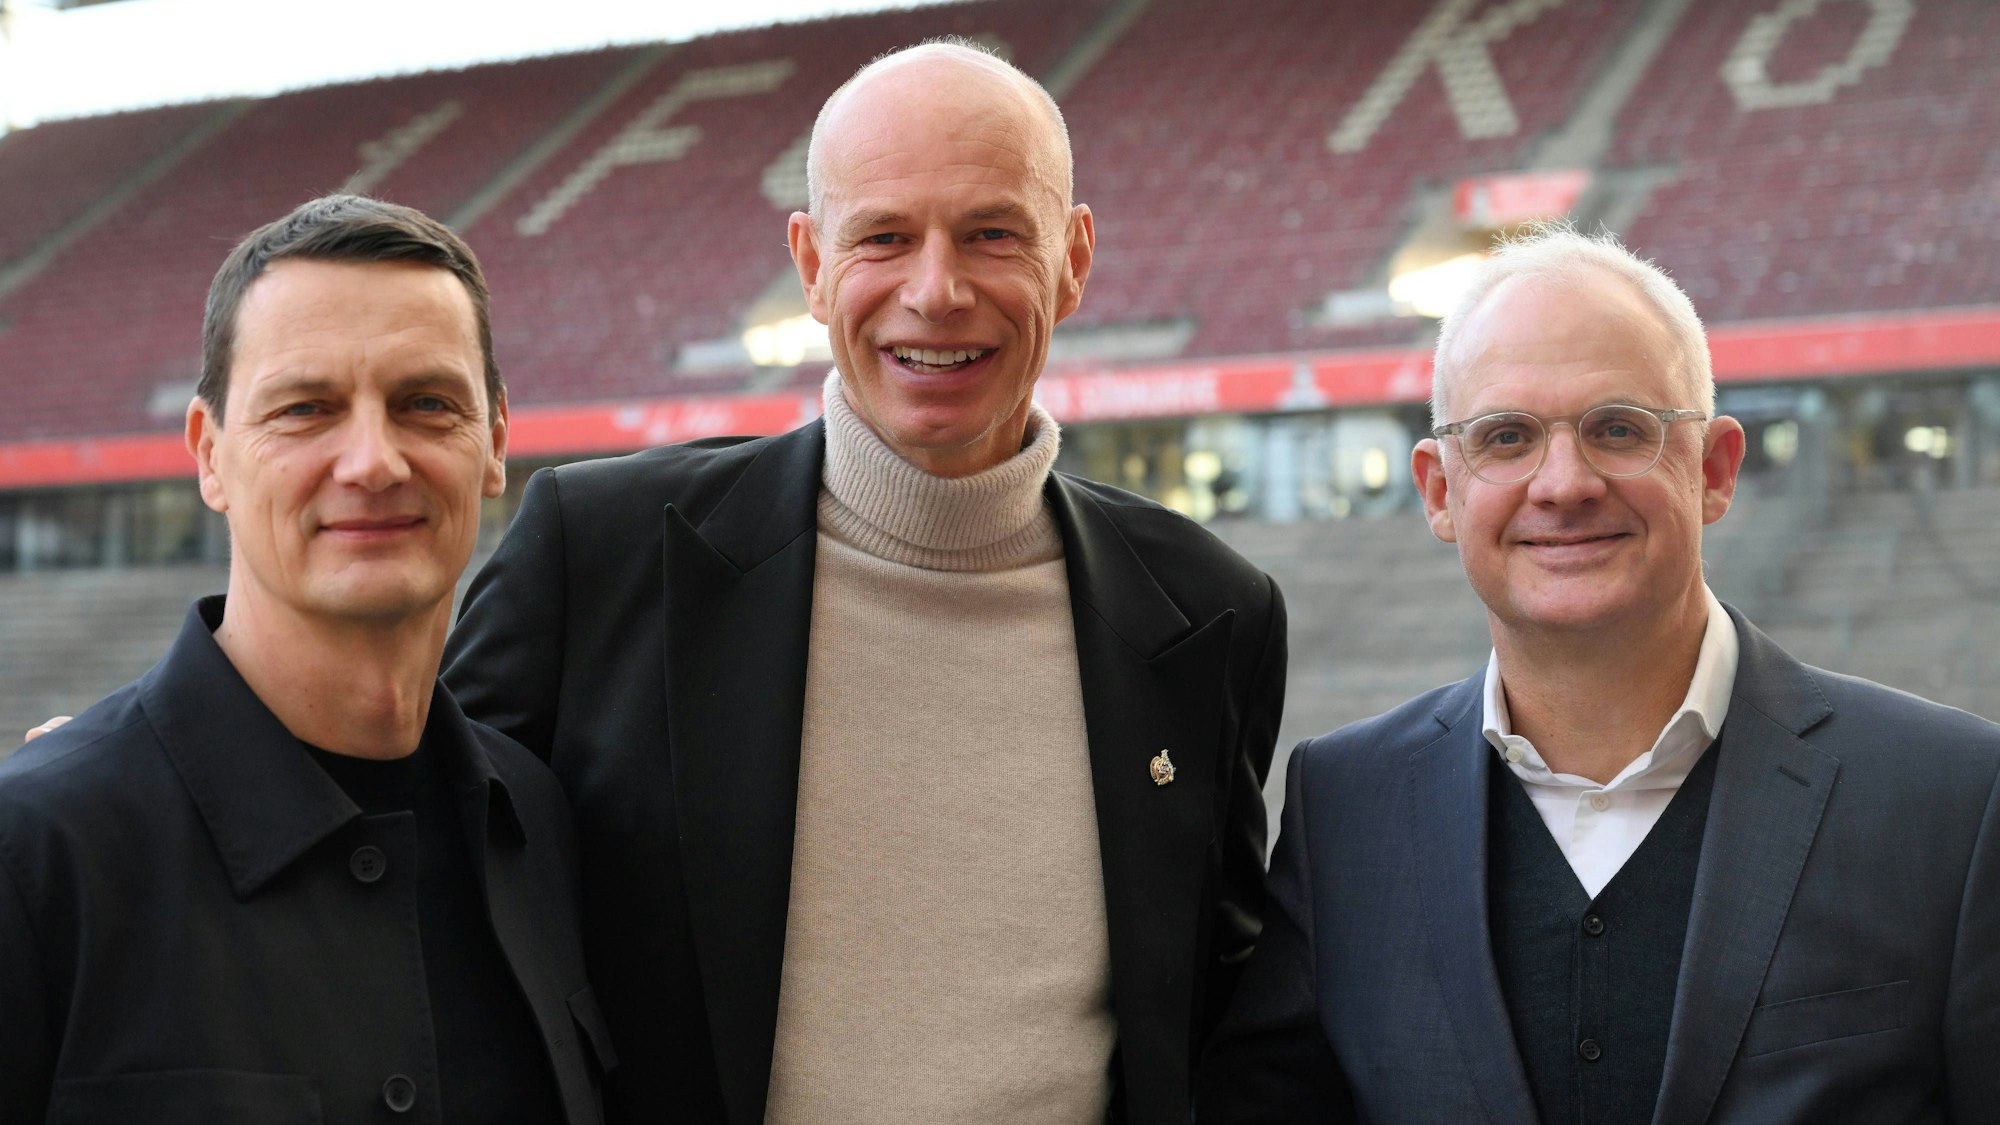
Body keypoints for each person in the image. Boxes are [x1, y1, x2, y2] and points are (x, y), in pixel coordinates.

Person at [442, 39, 1286, 1124]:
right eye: (883, 237)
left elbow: (1220, 1013)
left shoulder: (1210, 610)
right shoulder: (595, 556)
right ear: (810, 264)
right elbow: (436, 917)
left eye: (991, 234)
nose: (936, 292)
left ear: (1073, 261)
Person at [1198, 227, 2000, 1124]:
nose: (1564, 483)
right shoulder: (1346, 808)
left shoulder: (1954, 800)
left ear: (1714, 469)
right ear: (1439, 491)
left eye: (1618, 429)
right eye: (1506, 437)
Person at [0, 195, 614, 1124]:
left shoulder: (541, 825)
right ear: (210, 455)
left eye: (426, 404)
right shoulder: (37, 857)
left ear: (494, 443)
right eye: (305, 409)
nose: (373, 462)